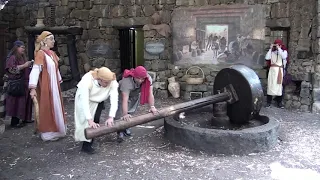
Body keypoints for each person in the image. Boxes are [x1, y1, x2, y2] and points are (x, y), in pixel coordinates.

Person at [29, 31, 67, 141]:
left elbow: (56, 69)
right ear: (44, 41)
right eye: (51, 39)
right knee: (47, 107)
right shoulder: (41, 54)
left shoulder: (52, 54)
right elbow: (36, 70)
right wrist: (32, 88)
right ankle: (49, 132)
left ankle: (58, 130)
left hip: (54, 86)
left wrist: (59, 80)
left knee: (56, 106)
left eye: (53, 39)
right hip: (47, 85)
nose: (53, 41)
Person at [74, 67, 119, 154]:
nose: (108, 84)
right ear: (100, 79)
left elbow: (114, 100)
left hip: (98, 100)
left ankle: (87, 145)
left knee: (96, 121)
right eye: (106, 82)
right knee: (85, 122)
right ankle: (84, 139)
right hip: (86, 100)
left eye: (109, 82)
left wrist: (111, 117)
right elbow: (84, 102)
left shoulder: (111, 81)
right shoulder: (87, 81)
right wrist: (89, 120)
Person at [116, 66, 158, 142]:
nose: (141, 80)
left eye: (142, 78)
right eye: (138, 78)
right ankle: (120, 131)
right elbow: (125, 100)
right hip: (121, 95)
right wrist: (124, 114)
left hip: (134, 94)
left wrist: (152, 106)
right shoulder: (126, 82)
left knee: (131, 111)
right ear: (134, 76)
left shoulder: (148, 79)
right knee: (120, 114)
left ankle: (126, 126)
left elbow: (150, 94)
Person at [4, 40, 33, 128]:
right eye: (22, 47)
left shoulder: (22, 57)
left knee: (26, 101)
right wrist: (24, 65)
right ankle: (15, 122)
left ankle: (26, 119)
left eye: (24, 47)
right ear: (16, 48)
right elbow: (11, 69)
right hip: (16, 83)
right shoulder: (12, 57)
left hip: (24, 82)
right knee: (16, 102)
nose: (23, 49)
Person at [265, 39, 288, 108]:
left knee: (279, 86)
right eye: (276, 44)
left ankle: (279, 102)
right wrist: (270, 49)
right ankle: (268, 102)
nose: (277, 46)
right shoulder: (272, 52)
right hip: (272, 71)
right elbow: (267, 57)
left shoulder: (284, 51)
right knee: (270, 85)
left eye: (279, 45)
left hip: (279, 71)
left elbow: (284, 56)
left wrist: (279, 49)